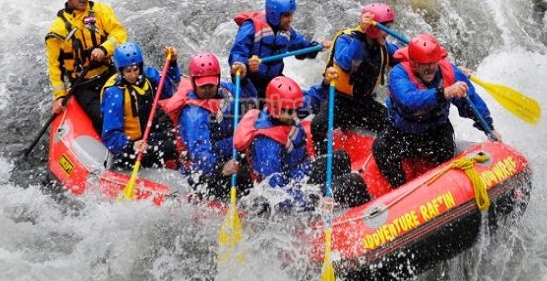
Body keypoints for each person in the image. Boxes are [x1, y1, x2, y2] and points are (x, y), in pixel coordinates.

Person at [372, 34, 500, 189]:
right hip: (402, 132)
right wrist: (444, 93)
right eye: (424, 64)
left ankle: (447, 190)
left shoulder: (450, 72)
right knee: (380, 149)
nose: (430, 68)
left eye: (433, 63)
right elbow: (409, 100)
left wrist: (489, 127)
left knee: (445, 152)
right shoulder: (399, 74)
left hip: (436, 131)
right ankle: (399, 188)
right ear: (413, 63)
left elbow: (471, 101)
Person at [234, 76, 370, 213]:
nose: (294, 114)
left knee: (341, 157)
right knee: (353, 182)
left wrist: (325, 84)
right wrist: (318, 201)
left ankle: (340, 202)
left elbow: (312, 99)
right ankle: (349, 213)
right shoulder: (268, 144)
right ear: (275, 109)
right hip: (289, 193)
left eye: (295, 109)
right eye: (289, 111)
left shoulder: (287, 107)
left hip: (299, 172)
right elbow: (277, 193)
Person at [310, 3, 400, 154]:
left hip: (364, 103)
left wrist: (420, 54)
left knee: (393, 125)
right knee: (318, 125)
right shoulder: (344, 39)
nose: (388, 33)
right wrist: (361, 37)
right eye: (386, 28)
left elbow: (401, 55)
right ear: (373, 29)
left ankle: (384, 155)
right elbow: (348, 63)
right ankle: (322, 158)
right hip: (340, 101)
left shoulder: (383, 46)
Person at [45, 0, 127, 132]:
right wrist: (60, 96)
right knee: (102, 117)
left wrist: (104, 48)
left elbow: (119, 33)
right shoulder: (57, 31)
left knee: (131, 104)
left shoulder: (101, 11)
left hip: (108, 73)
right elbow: (55, 68)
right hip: (83, 85)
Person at [169, 53, 258, 201]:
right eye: (202, 85)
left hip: (231, 152)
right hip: (204, 172)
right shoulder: (193, 115)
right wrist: (221, 168)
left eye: (211, 84)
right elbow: (201, 156)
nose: (207, 89)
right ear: (193, 82)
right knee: (244, 177)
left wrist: (243, 81)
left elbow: (251, 98)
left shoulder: (226, 90)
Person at [228, 0, 331, 99]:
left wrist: (318, 47)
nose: (291, 19)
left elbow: (302, 47)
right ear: (274, 15)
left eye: (291, 14)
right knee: (252, 102)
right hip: (249, 81)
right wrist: (245, 64)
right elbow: (236, 54)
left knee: (293, 97)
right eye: (287, 16)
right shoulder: (251, 27)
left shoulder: (287, 32)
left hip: (273, 80)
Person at [101, 43, 180, 169]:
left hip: (148, 135)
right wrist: (132, 145)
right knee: (173, 147)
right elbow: (110, 136)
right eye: (128, 71)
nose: (133, 75)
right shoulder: (114, 94)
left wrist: (172, 64)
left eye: (136, 69)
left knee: (180, 139)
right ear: (120, 70)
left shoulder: (149, 76)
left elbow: (170, 89)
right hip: (128, 146)